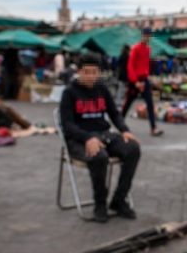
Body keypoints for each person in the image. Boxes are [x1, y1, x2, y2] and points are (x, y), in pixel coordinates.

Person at [60, 53, 141, 223]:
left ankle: (119, 200)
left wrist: (124, 130)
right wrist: (88, 138)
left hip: (103, 135)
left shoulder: (102, 88)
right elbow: (67, 125)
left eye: (94, 72)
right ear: (79, 72)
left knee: (133, 148)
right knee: (99, 157)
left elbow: (114, 114)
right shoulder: (69, 92)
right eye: (87, 72)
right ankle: (100, 203)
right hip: (78, 139)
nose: (91, 76)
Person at [122, 31, 163, 136]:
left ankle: (153, 128)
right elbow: (130, 66)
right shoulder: (135, 48)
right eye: (145, 35)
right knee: (128, 103)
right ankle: (120, 124)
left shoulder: (148, 49)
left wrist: (147, 76)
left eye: (149, 36)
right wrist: (135, 81)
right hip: (135, 80)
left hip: (144, 79)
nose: (147, 37)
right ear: (142, 36)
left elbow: (145, 65)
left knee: (150, 103)